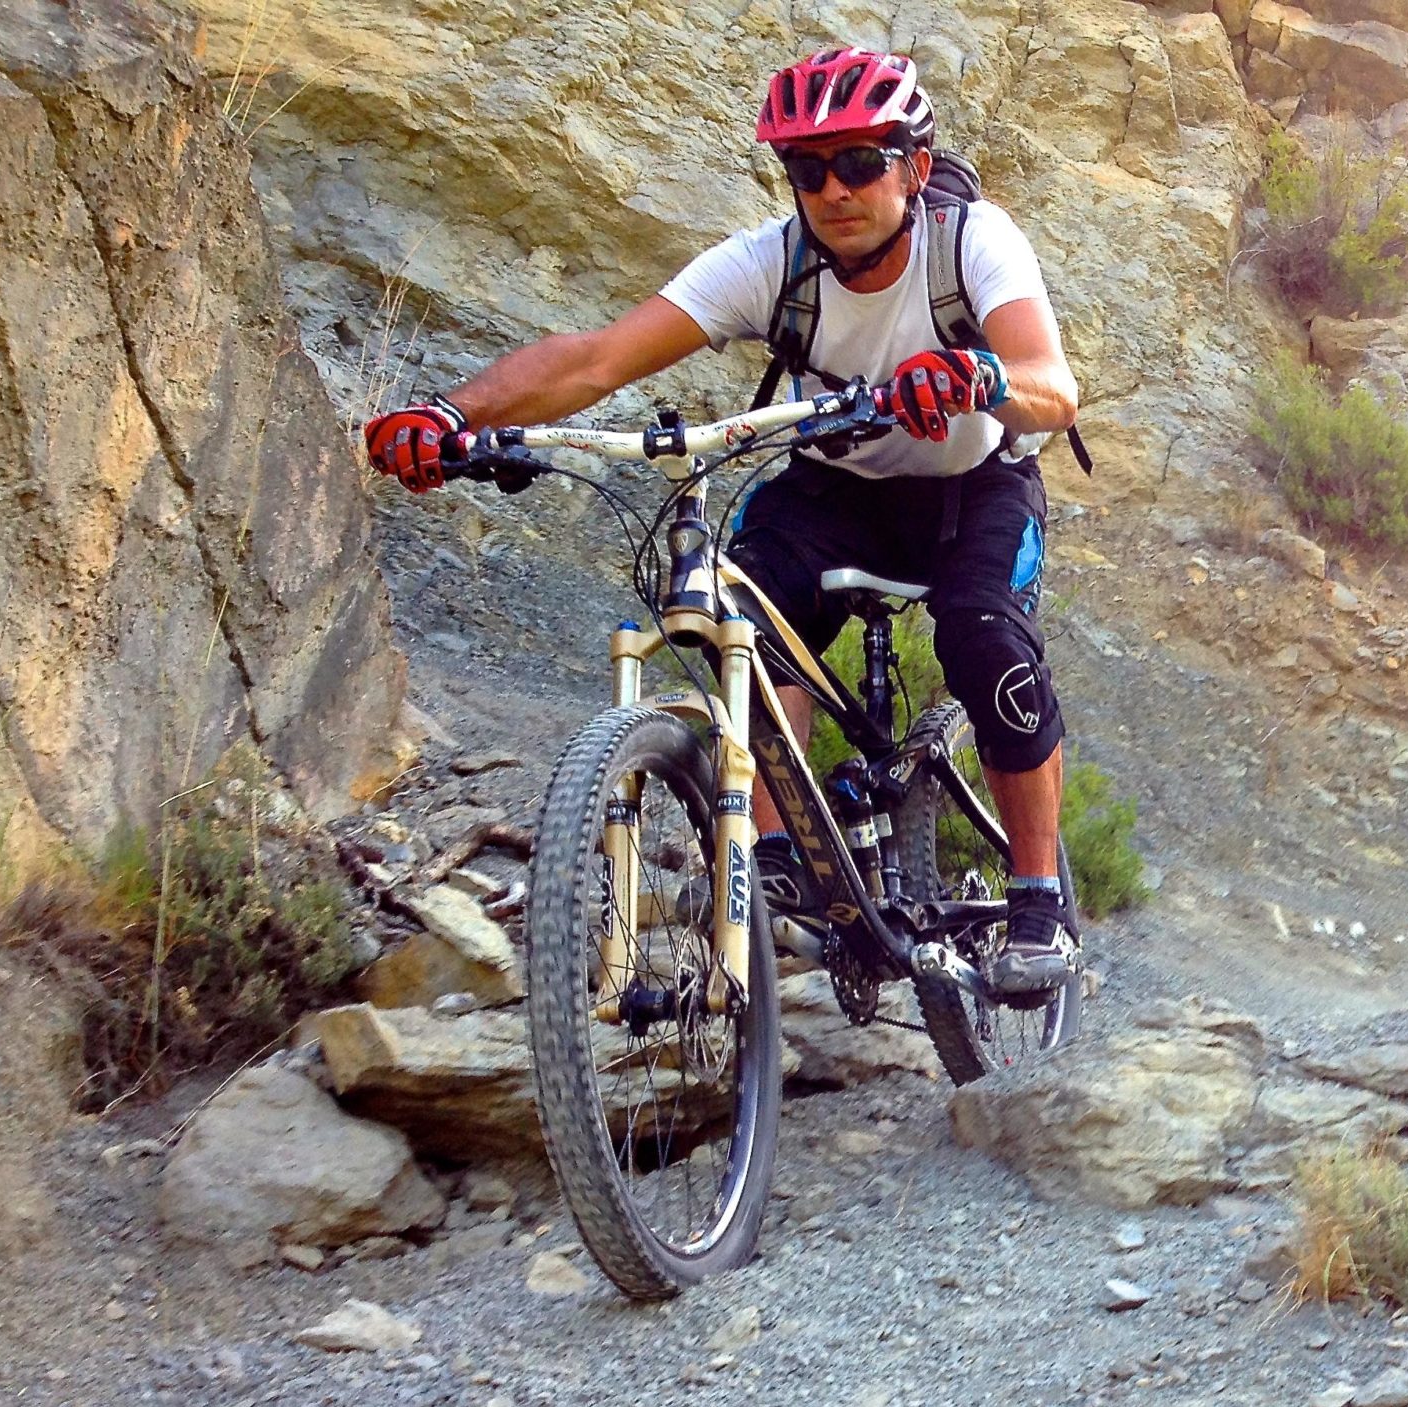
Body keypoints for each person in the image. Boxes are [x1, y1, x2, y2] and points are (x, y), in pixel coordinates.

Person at [360, 46, 1081, 998]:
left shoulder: (973, 242)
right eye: (806, 170)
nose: (832, 189)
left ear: (911, 166)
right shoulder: (770, 264)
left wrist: (983, 375)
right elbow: (593, 363)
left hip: (975, 489)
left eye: (859, 163)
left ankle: (1039, 902)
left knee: (987, 643)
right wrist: (452, 415)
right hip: (837, 492)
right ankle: (780, 866)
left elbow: (1053, 388)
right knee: (739, 615)